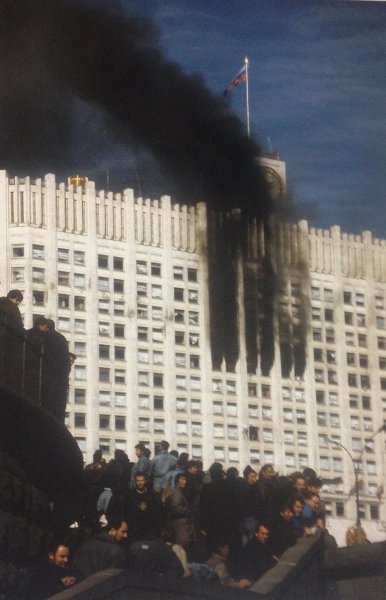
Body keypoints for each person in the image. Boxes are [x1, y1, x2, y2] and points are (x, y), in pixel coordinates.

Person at [128, 471, 164, 542]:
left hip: (149, 529)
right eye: (138, 481)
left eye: (142, 480)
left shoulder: (152, 495)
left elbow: (158, 512)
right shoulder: (131, 495)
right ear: (135, 482)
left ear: (145, 481)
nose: (140, 483)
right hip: (136, 529)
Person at [165, 473, 194, 546]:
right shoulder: (176, 494)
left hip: (180, 525)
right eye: (182, 479)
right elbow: (177, 509)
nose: (184, 481)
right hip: (179, 526)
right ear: (177, 481)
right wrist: (189, 510)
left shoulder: (179, 492)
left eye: (185, 480)